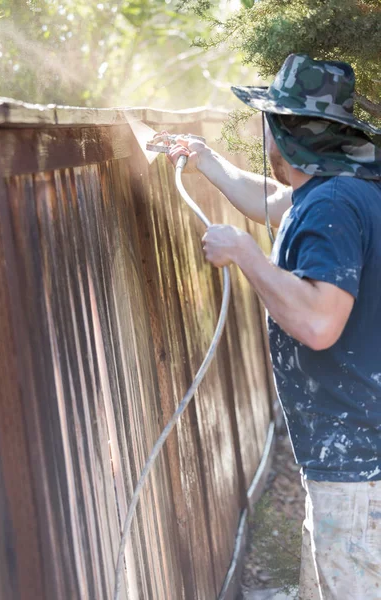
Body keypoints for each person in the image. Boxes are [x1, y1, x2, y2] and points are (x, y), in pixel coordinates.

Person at [165, 54, 381, 599]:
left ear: (289, 129)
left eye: (268, 116)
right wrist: (205, 161)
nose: (261, 126)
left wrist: (244, 254)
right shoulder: (339, 189)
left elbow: (317, 322)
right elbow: (273, 203)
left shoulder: (332, 204)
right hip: (352, 457)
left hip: (356, 469)